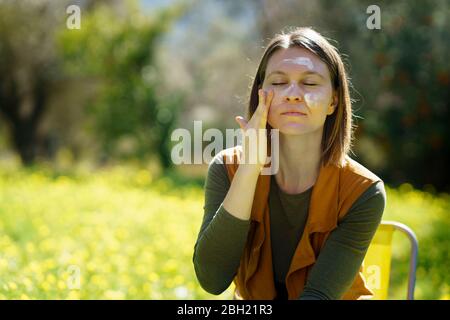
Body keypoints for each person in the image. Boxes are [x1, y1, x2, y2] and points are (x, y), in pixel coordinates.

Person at [193, 27, 386, 300]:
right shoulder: (227, 168)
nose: (293, 94)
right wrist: (250, 168)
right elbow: (212, 280)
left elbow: (319, 295)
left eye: (309, 83)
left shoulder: (363, 191)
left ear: (333, 100)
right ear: (260, 94)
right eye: (279, 82)